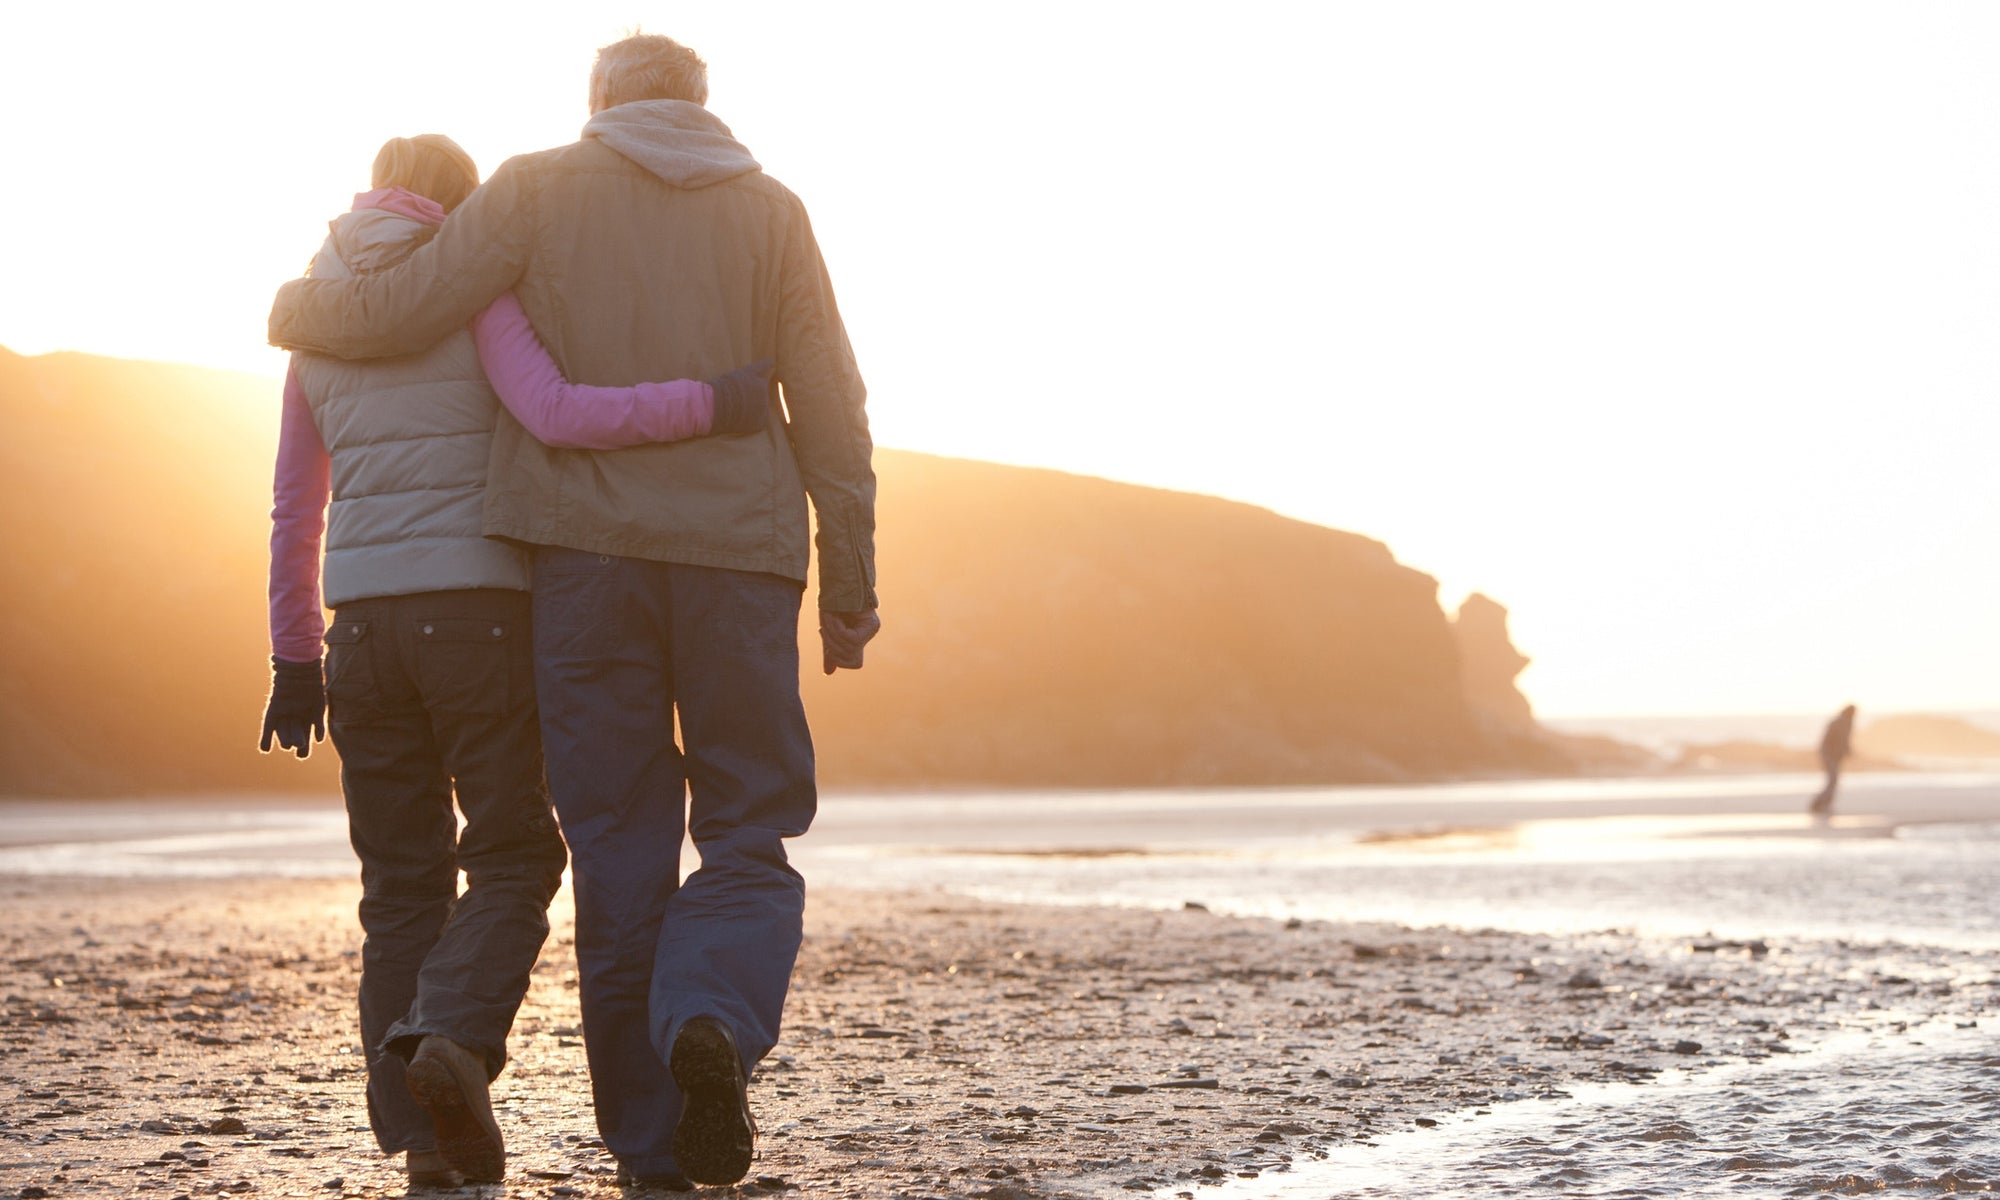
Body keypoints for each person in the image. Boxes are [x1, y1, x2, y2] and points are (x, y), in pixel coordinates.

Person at [267, 35, 879, 1189]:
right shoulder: (777, 211)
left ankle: (649, 1154)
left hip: (581, 567)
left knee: (614, 854)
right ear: (703, 104)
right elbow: (831, 398)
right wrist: (849, 584)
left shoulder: (534, 187)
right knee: (747, 832)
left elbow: (405, 306)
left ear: (598, 102)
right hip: (742, 560)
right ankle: (710, 1018)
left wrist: (293, 304)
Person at [1808, 704, 1858, 816]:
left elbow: (1841, 741)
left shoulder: (1839, 721)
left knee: (1833, 781)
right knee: (1833, 781)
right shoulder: (1842, 723)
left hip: (1831, 755)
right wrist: (1847, 751)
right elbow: (1841, 740)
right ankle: (1819, 805)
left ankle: (1821, 804)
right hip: (1829, 755)